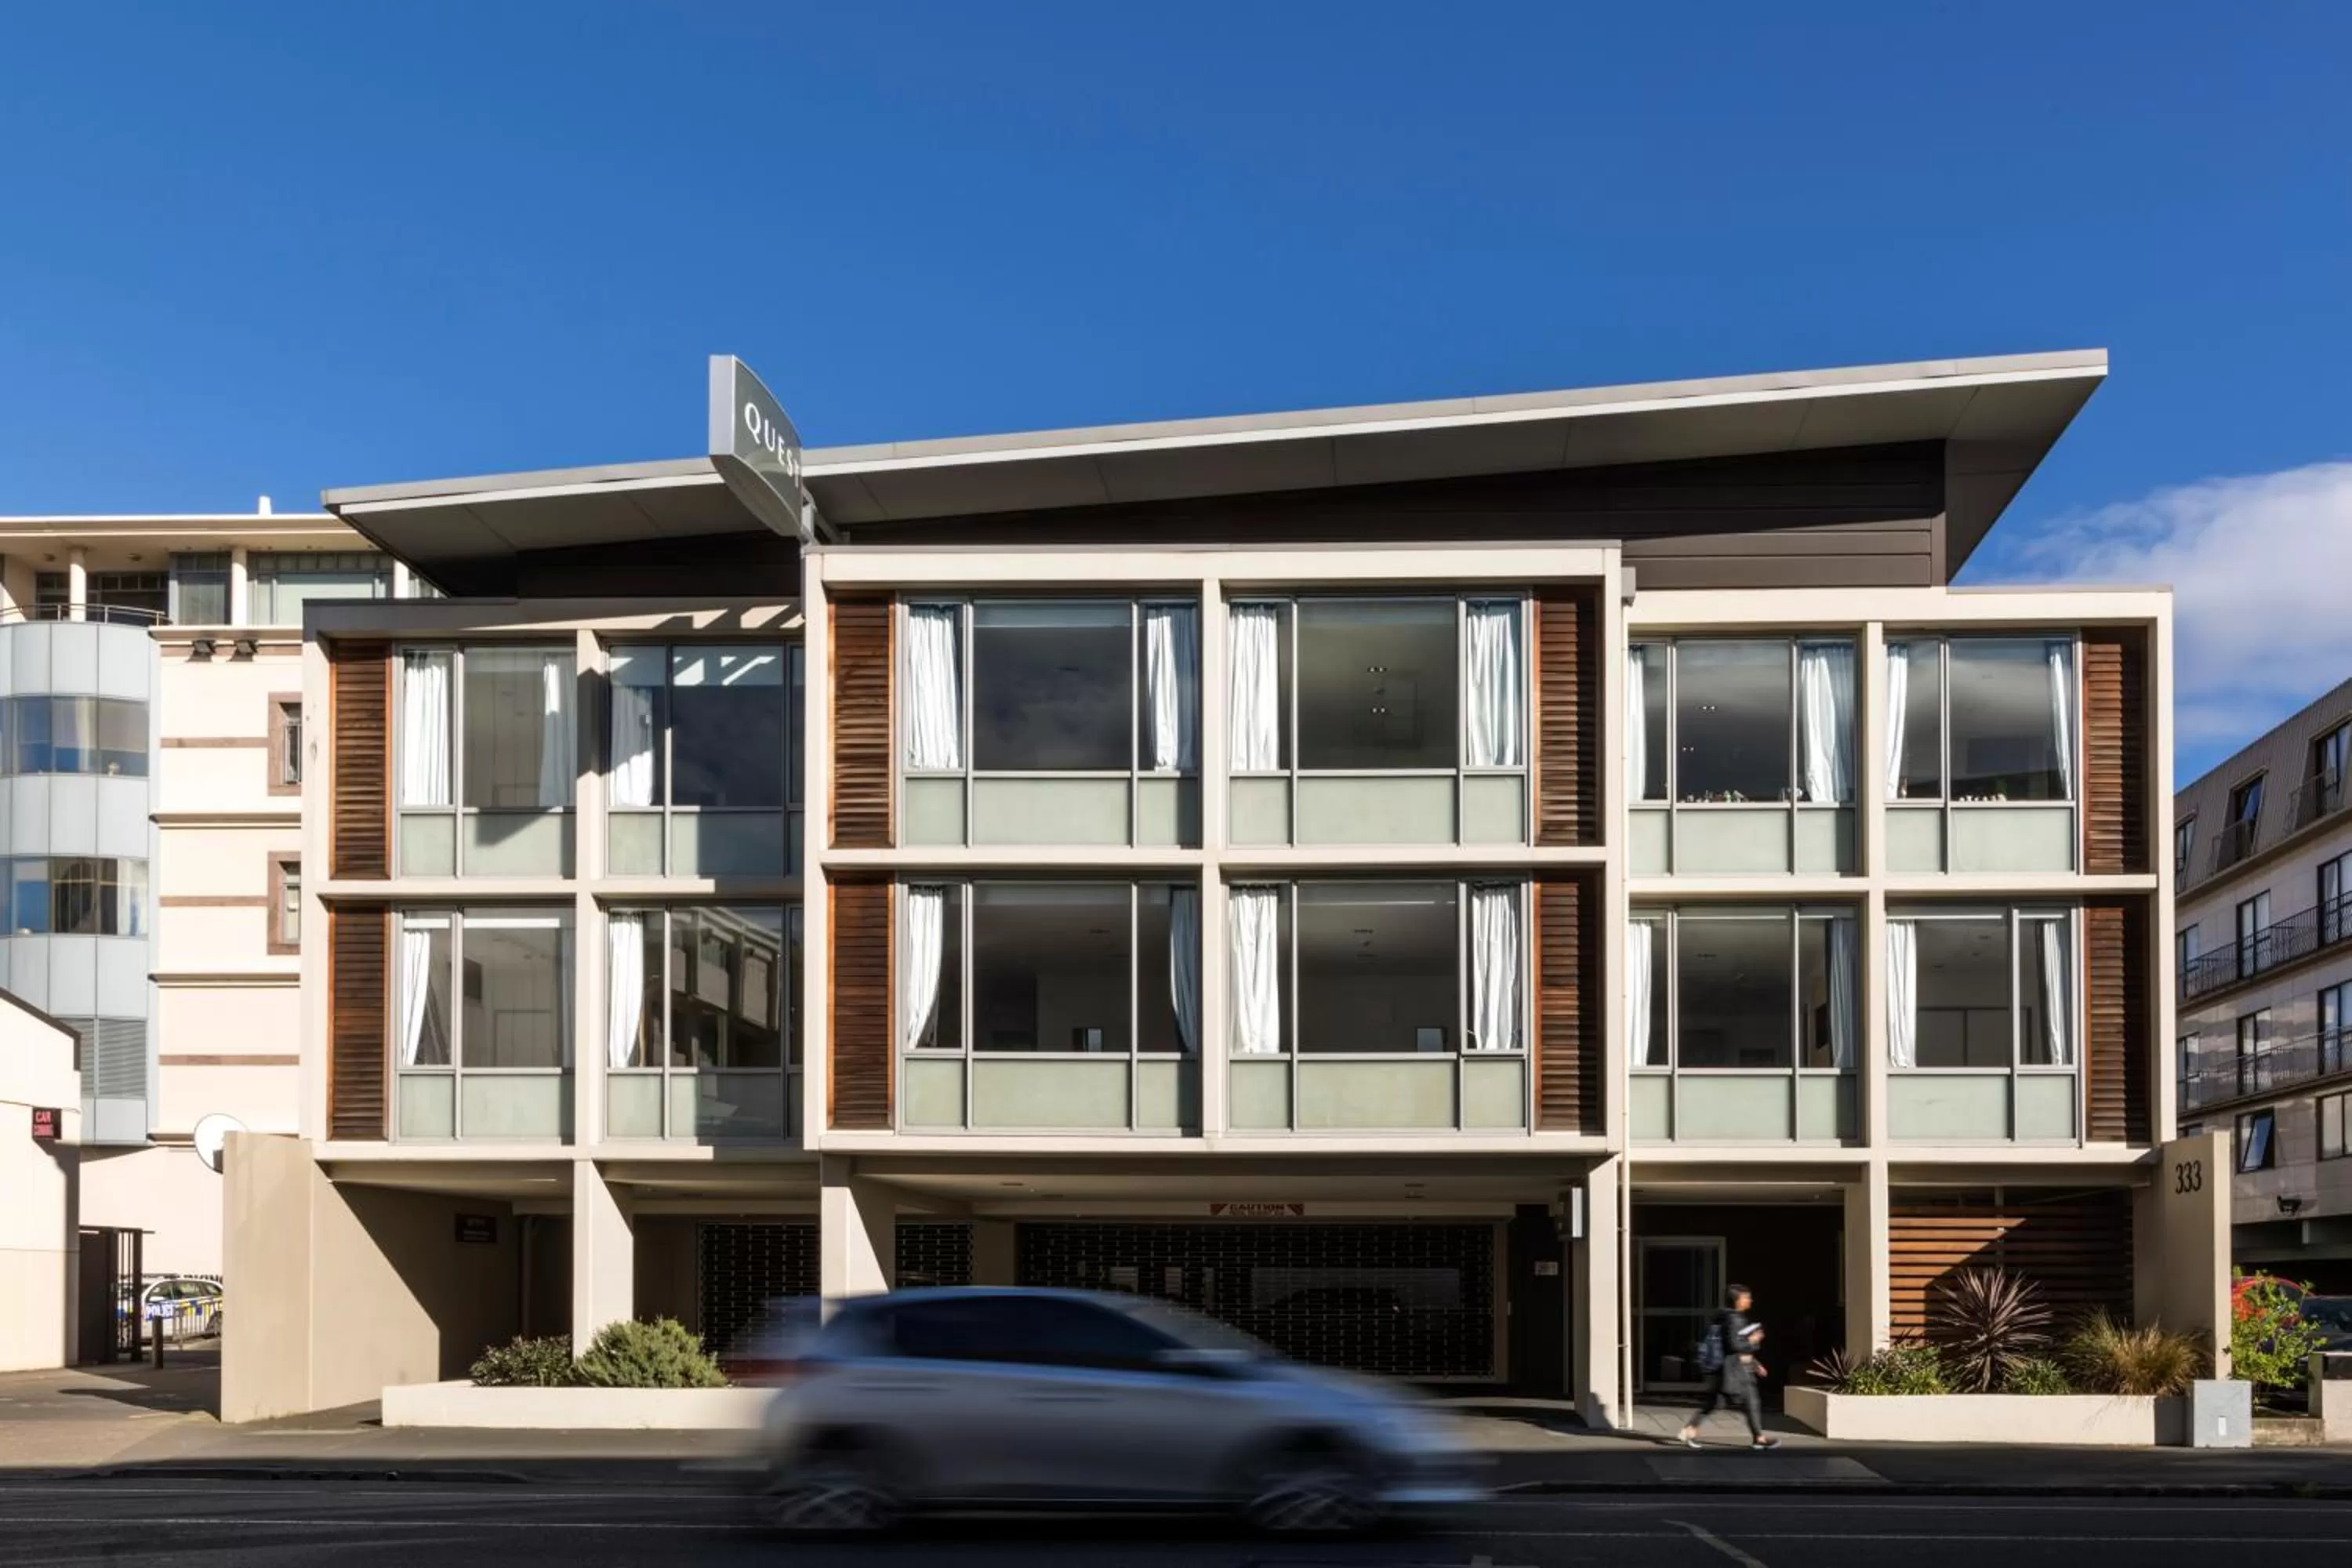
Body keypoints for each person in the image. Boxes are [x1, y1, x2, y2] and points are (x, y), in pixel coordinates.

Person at [1678, 1284, 1777, 1450]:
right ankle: (1691, 1429)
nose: (1749, 1300)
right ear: (1738, 1301)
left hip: (1729, 1370)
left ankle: (1758, 1437)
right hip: (1733, 1371)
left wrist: (1754, 1363)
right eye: (1746, 1298)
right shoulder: (1735, 1319)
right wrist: (1753, 1341)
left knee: (1727, 1402)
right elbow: (1734, 1345)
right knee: (1744, 1401)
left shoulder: (1726, 1317)